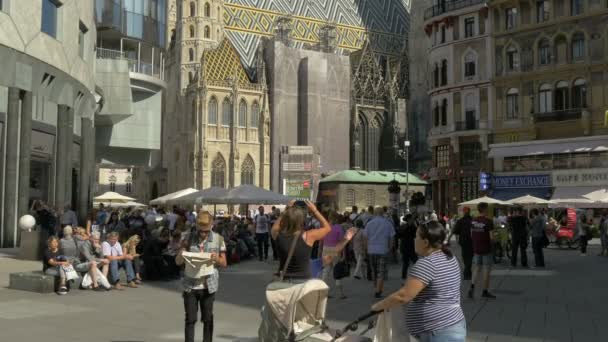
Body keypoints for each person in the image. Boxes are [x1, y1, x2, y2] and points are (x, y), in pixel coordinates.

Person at [371, 221, 466, 342]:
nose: (414, 240)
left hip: (438, 331)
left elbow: (403, 295)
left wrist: (379, 306)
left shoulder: (427, 263)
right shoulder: (449, 256)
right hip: (450, 325)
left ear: (425, 242)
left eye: (416, 237)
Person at [176, 211, 227, 342]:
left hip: (209, 286)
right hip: (190, 286)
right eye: (200, 231)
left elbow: (224, 263)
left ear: (211, 226)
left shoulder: (218, 239)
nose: (203, 234)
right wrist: (181, 254)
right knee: (190, 319)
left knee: (208, 319)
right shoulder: (188, 238)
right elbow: (177, 262)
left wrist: (217, 259)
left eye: (205, 231)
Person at [271, 201, 333, 282]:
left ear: (285, 219)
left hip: (284, 280)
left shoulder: (277, 235)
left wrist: (286, 210)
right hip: (304, 281)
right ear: (301, 220)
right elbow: (327, 228)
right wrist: (315, 210)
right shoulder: (308, 236)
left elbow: (275, 227)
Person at [320, 211, 356, 299]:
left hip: (325, 249)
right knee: (337, 271)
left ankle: (323, 293)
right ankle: (341, 293)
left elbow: (321, 241)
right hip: (335, 250)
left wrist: (320, 251)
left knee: (326, 272)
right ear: (336, 218)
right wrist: (343, 254)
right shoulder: (338, 227)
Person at [363, 207, 396, 298]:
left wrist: (366, 248)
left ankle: (377, 288)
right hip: (383, 249)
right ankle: (378, 290)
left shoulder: (369, 224)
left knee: (374, 270)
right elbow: (392, 237)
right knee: (381, 271)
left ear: (374, 213)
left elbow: (365, 237)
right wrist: (390, 248)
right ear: (383, 213)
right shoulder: (388, 223)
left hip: (371, 250)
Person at [468, 202, 496, 299]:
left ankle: (471, 287)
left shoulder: (473, 221)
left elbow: (471, 235)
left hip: (476, 248)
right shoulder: (488, 221)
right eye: (487, 208)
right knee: (486, 270)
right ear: (484, 209)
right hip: (486, 249)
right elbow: (491, 237)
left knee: (476, 269)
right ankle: (485, 291)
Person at [449, 207, 474, 280]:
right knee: (470, 256)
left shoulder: (460, 221)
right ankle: (468, 271)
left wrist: (448, 239)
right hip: (471, 241)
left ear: (463, 212)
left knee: (465, 256)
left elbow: (455, 230)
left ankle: (467, 272)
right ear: (469, 212)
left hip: (463, 241)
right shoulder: (473, 220)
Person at [397, 214, 418, 280]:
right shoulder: (408, 227)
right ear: (409, 219)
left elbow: (416, 235)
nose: (413, 220)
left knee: (412, 262)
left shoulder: (411, 226)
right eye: (412, 219)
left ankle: (405, 276)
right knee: (408, 262)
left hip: (408, 246)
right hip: (407, 246)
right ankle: (404, 276)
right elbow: (399, 235)